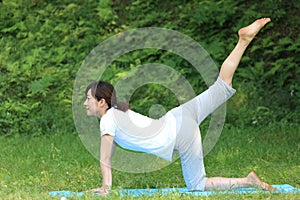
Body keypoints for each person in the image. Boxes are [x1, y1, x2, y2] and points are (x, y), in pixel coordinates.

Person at [84, 18, 274, 196]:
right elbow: (112, 151)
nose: (85, 103)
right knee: (221, 86)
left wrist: (105, 188)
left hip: (179, 132)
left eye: (88, 99)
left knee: (198, 185)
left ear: (102, 102)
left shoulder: (108, 119)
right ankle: (243, 41)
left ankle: (247, 181)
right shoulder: (118, 113)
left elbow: (105, 159)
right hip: (179, 116)